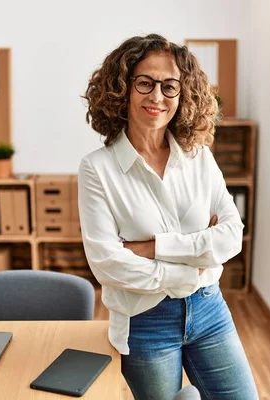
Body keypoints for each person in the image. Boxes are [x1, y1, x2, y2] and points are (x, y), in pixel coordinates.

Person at [79, 33, 259, 400]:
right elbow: (107, 263)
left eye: (170, 85)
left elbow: (230, 235)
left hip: (208, 308)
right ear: (122, 88)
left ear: (183, 93)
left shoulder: (198, 156)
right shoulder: (98, 169)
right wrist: (189, 268)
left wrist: (153, 247)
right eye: (145, 82)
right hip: (145, 320)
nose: (157, 96)